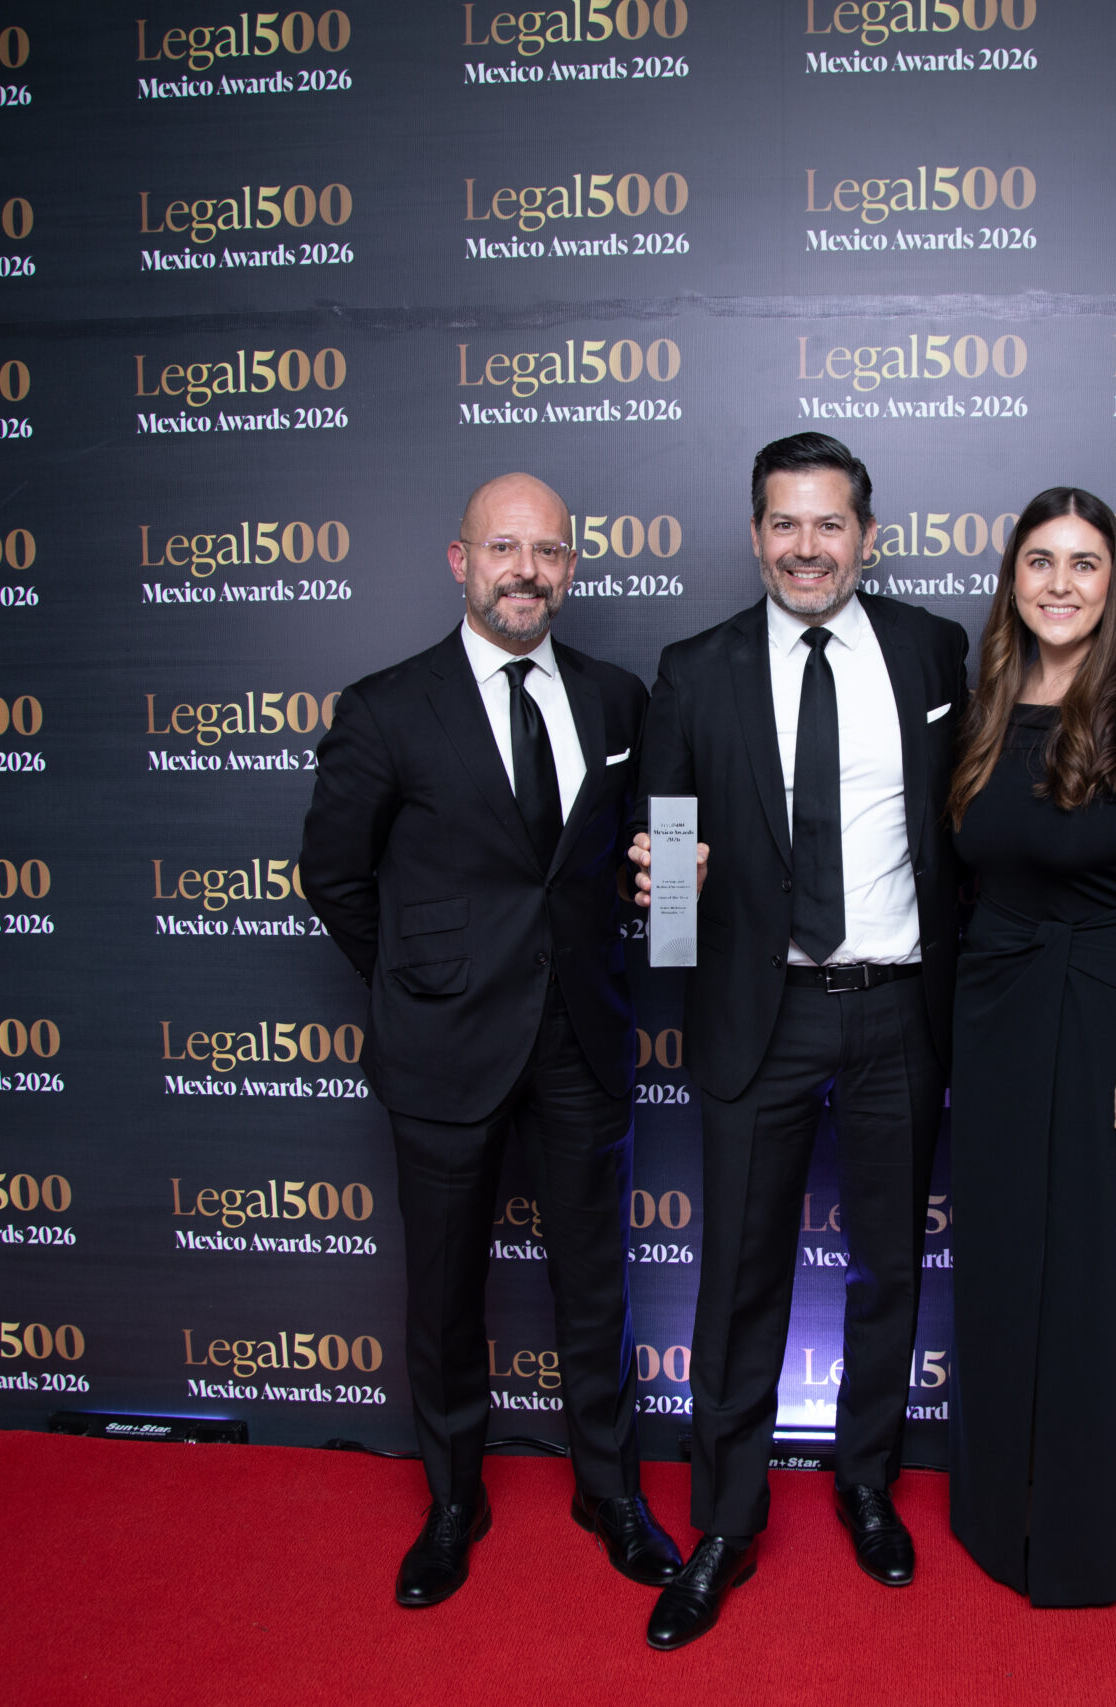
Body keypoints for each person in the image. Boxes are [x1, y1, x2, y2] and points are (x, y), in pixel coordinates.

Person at [300, 472, 683, 1608]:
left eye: (548, 551)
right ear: (460, 561)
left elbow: (661, 851)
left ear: (571, 568)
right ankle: (453, 1500)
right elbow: (333, 875)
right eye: (504, 548)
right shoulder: (386, 707)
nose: (527, 570)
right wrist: (419, 985)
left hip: (581, 1038)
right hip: (443, 1046)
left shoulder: (618, 700)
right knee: (444, 1292)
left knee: (596, 1286)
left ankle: (608, 1492)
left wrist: (672, 899)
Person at [624, 433, 969, 1650]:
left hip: (898, 1005)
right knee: (737, 1281)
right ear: (755, 535)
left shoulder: (933, 650)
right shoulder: (694, 669)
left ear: (867, 538)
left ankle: (867, 1482)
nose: (806, 548)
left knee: (888, 1266)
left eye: (829, 524)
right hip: (756, 1013)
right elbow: (668, 867)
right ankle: (725, 1521)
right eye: (784, 523)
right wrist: (670, 890)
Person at [942, 486, 1116, 1608]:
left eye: (1084, 563)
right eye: (1040, 561)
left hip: (1107, 1024)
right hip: (996, 1019)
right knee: (1002, 1268)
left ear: (1115, 581)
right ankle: (991, 1515)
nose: (1060, 584)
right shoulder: (988, 704)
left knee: (1094, 1284)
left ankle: (1077, 1542)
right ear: (1012, 576)